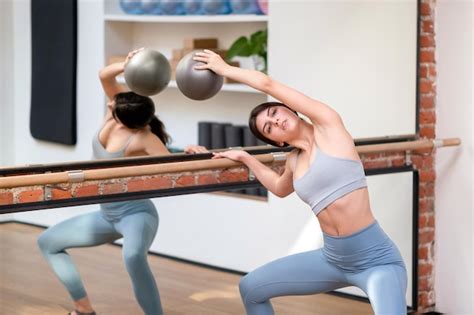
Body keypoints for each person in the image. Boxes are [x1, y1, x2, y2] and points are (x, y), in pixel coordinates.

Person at [194, 49, 407, 315]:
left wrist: (225, 70)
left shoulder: (328, 126)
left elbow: (268, 84)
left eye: (274, 112)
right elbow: (280, 188)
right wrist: (247, 159)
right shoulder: (294, 161)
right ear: (277, 141)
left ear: (288, 108)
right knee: (251, 288)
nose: (275, 121)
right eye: (269, 128)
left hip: (375, 259)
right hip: (333, 259)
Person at [37, 49, 206, 315]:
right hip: (106, 215)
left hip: (136, 215)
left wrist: (191, 151)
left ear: (124, 119)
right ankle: (84, 310)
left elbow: (175, 168)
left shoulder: (143, 137)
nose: (108, 104)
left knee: (133, 257)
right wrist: (128, 64)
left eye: (112, 107)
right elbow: (104, 74)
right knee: (48, 242)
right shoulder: (119, 113)